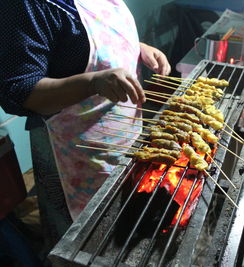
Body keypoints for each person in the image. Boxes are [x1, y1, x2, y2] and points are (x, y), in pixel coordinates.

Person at [0, 0, 171, 251]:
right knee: (81, 245)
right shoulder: (26, 6)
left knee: (121, 227)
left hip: (124, 137)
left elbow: (78, 44)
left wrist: (137, 48)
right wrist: (92, 82)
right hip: (72, 152)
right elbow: (20, 92)